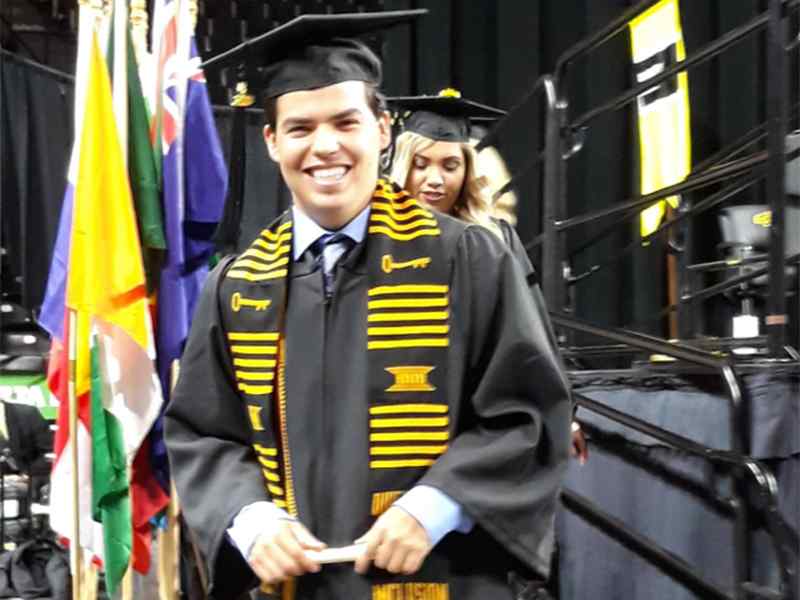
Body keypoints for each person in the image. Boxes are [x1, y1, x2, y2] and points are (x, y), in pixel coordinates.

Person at [165, 12, 572, 600]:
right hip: (292, 587)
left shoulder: (470, 260)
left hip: (443, 578)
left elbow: (528, 414)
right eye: (301, 127)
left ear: (382, 130)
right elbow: (203, 432)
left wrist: (437, 506)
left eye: (345, 122)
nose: (324, 145)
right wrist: (249, 519)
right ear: (272, 142)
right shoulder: (237, 285)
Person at [388, 91, 588, 465]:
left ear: (467, 172)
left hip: (475, 419)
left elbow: (530, 332)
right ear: (402, 166)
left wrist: (562, 414)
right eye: (421, 164)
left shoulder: (495, 238)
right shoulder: (375, 239)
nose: (434, 179)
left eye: (450, 166)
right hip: (394, 420)